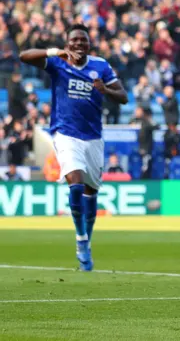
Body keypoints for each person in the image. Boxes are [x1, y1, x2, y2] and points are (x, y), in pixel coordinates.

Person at [19, 24, 128, 271]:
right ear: (68, 43)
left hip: (93, 137)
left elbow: (123, 96)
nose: (79, 44)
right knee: (75, 182)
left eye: (83, 41)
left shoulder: (100, 65)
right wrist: (53, 52)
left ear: (89, 44)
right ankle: (80, 240)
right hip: (65, 134)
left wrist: (106, 89)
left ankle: (86, 242)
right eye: (75, 40)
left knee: (91, 192)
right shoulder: (59, 63)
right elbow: (24, 57)